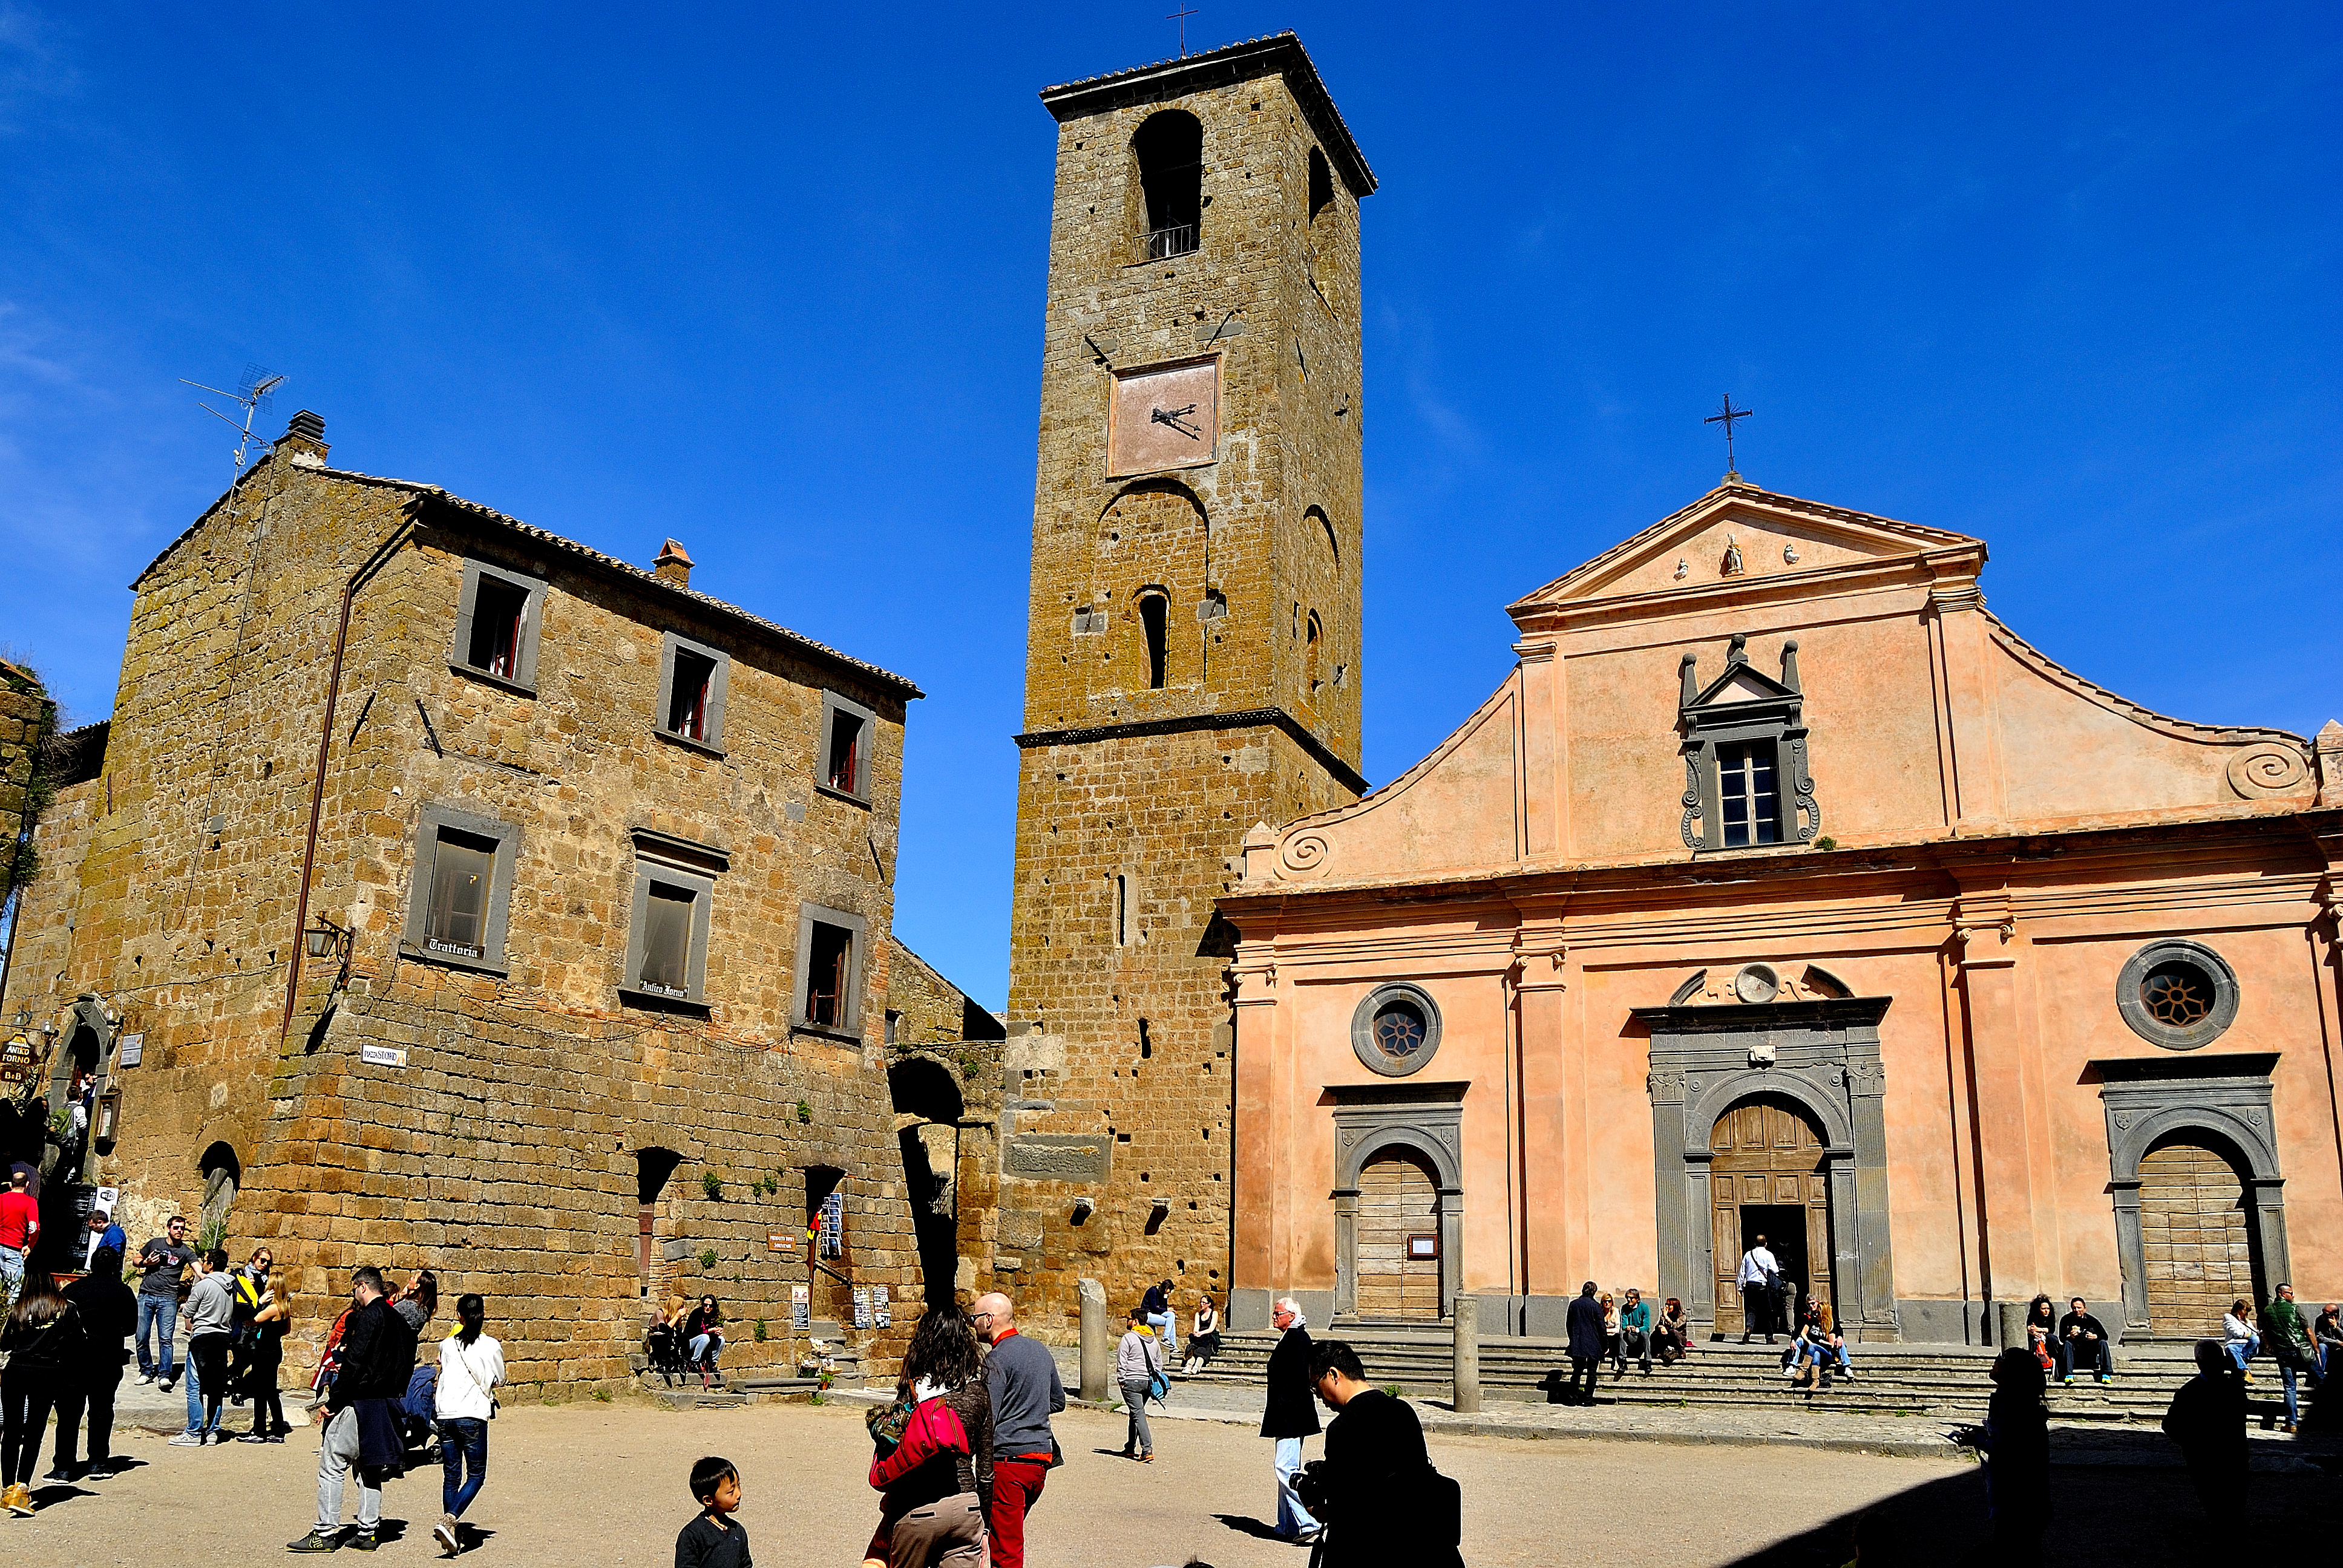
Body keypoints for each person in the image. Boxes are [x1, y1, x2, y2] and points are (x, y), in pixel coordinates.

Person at [288, 1266, 419, 1553]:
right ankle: (368, 1532)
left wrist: (333, 1403)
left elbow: (353, 1364)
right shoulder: (402, 1324)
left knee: (333, 1463)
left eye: (354, 1290)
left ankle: (324, 1533)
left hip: (360, 1403)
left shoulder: (369, 1317)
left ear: (362, 1286)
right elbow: (406, 1366)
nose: (354, 1296)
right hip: (387, 1404)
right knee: (370, 1469)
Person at [1305, 1339, 1464, 1568]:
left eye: (1315, 1386)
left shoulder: (1343, 1428)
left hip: (1375, 1551)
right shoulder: (1403, 1411)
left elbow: (1346, 1514)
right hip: (1424, 1545)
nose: (1318, 1397)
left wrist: (1316, 1508)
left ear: (1333, 1375)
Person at [862, 1303, 991, 1568]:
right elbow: (987, 1470)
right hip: (966, 1506)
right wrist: (985, 1526)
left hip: (918, 1507)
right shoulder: (979, 1391)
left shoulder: (915, 1388)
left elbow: (894, 1440)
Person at [972, 1291, 1062, 1568]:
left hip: (1009, 1465)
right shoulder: (1041, 1351)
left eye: (974, 1318)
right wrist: (1029, 1406)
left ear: (989, 1319)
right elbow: (1058, 1401)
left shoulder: (997, 1360)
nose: (972, 1323)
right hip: (1040, 1462)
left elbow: (987, 1416)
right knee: (1006, 1540)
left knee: (1005, 1552)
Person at [1, 1270, 83, 1515]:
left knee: (12, 1430)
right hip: (47, 1372)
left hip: (16, 1371)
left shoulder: (19, 1309)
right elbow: (77, 1344)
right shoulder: (67, 1308)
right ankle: (22, 1488)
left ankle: (7, 1489)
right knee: (34, 1431)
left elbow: (5, 1343)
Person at [433, 1292, 504, 1557]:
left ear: (460, 1317)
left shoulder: (447, 1344)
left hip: (445, 1414)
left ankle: (451, 1535)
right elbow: (500, 1379)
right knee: (476, 1474)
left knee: (451, 1475)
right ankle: (449, 1520)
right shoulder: (490, 1345)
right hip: (471, 1414)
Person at [56, 1245, 136, 1478]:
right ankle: (98, 1461)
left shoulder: (73, 1290)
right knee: (101, 1411)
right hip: (107, 1359)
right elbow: (131, 1328)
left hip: (74, 1359)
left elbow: (60, 1324)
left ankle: (63, 1466)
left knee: (69, 1414)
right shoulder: (123, 1292)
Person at [1966, 1346, 2050, 1560]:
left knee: (2013, 1556)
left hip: (2020, 1500)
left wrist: (1978, 1439)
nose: (1995, 1361)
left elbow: (2004, 1450)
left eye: (2001, 1358)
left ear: (2012, 1371)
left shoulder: (2014, 1404)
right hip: (2023, 1499)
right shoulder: (2013, 1400)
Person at [2164, 1338, 2248, 1519]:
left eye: (2220, 1358)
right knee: (2215, 1505)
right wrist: (2192, 1445)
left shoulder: (2235, 1388)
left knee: (2235, 1505)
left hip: (2233, 1457)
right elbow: (2170, 1425)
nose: (2219, 1363)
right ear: (2200, 1362)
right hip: (2204, 1459)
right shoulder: (2188, 1392)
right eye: (2214, 1358)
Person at [1260, 1297, 1320, 1543]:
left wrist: (1284, 1407)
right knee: (1286, 1466)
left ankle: (1309, 1521)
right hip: (1286, 1413)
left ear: (1291, 1316)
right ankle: (1287, 1525)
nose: (1274, 1316)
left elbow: (1296, 1380)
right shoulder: (1292, 1337)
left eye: (1278, 1313)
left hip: (1291, 1414)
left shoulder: (1299, 1339)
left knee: (1285, 1467)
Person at [170, 1245, 234, 1446]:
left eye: (205, 1260)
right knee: (216, 1386)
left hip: (203, 1337)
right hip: (222, 1337)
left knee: (194, 1386)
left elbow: (189, 1310)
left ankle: (194, 1431)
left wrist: (186, 1308)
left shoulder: (204, 1285)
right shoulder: (231, 1286)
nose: (202, 1263)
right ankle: (213, 1430)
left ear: (211, 1264)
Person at [132, 1214, 195, 1388]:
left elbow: (197, 1269)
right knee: (141, 1336)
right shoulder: (155, 1244)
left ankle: (165, 1374)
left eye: (182, 1228)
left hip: (168, 1298)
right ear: (168, 1229)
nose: (180, 1231)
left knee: (166, 1338)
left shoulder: (186, 1251)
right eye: (176, 1228)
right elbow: (135, 1260)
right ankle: (146, 1370)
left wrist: (210, 1278)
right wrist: (145, 1263)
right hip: (146, 1295)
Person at [236, 1268, 292, 1443]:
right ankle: (277, 1430)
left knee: (260, 1392)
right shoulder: (285, 1308)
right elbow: (287, 1329)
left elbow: (255, 1318)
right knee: (271, 1392)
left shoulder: (273, 1308)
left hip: (264, 1352)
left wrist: (259, 1302)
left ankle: (259, 1431)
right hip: (274, 1350)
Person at [2261, 1283, 2321, 1432]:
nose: (2293, 1296)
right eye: (2291, 1293)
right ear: (2282, 1294)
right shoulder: (2295, 1308)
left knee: (2289, 1388)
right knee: (2321, 1380)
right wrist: (2317, 1349)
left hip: (2282, 1353)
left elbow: (2266, 1334)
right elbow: (2307, 1330)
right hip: (2302, 1350)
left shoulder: (2267, 1311)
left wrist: (2270, 1350)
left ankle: (2291, 1424)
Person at [675, 1454, 751, 1568]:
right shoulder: (693, 1535)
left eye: (738, 1486)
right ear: (708, 1500)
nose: (739, 1494)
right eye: (731, 1491)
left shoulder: (738, 1531)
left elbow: (746, 1565)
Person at [1115, 1308, 1162, 1462]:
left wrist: (1122, 1380)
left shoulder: (1128, 1338)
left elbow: (1122, 1362)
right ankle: (1130, 1447)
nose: (1127, 1321)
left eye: (1129, 1318)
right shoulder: (1153, 1340)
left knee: (1138, 1414)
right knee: (1135, 1413)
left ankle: (1147, 1449)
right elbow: (1158, 1364)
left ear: (1135, 1321)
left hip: (1131, 1381)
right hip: (1147, 1382)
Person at [1789, 1300, 1852, 1387]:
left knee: (1816, 1346)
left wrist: (1823, 1342)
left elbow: (1832, 1344)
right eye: (1816, 1313)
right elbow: (1802, 1331)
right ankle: (1815, 1381)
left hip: (1828, 1353)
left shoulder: (1830, 1324)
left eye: (1818, 1312)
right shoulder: (1813, 1321)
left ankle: (1802, 1370)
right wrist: (1807, 1341)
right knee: (1816, 1353)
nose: (1816, 1314)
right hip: (1817, 1352)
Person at [2053, 1297, 2114, 1385]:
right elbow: (2062, 1338)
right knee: (2067, 1343)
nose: (2077, 1310)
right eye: (2074, 1308)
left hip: (2090, 1351)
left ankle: (2106, 1374)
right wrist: (2070, 1336)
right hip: (2075, 1352)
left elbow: (2105, 1336)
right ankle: (2069, 1374)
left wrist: (2095, 1336)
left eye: (2079, 1308)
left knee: (2103, 1343)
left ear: (2085, 1308)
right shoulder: (2066, 1320)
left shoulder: (2092, 1320)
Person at [0, 1169, 36, 1315]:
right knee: (14, 1291)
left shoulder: (1, 1198)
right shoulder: (30, 1202)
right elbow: (34, 1227)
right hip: (13, 1249)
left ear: (11, 1184)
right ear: (27, 1184)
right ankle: (7, 1325)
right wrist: (30, 1245)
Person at [1564, 1280, 1604, 1404]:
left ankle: (1573, 1399)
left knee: (1577, 1372)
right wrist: (1605, 1344)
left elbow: (1569, 1324)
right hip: (1593, 1343)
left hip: (1578, 1342)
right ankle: (1588, 1400)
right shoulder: (1595, 1306)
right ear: (1594, 1292)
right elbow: (1601, 1327)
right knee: (1592, 1373)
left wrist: (1573, 1339)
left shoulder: (1574, 1305)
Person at [1736, 1235, 1780, 1343]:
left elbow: (1742, 1272)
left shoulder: (1748, 1254)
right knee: (1767, 1312)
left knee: (1751, 1310)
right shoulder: (1768, 1255)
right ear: (1766, 1244)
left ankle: (1748, 1329)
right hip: (1763, 1286)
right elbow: (1775, 1270)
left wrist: (1740, 1286)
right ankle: (1769, 1338)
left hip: (1750, 1286)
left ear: (1755, 1244)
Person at [685, 1295, 726, 1389]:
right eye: (705, 1305)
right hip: (690, 1342)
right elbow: (694, 1332)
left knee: (721, 1340)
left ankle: (711, 1364)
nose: (708, 1308)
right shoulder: (697, 1313)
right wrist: (710, 1331)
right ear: (702, 1304)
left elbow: (710, 1333)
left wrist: (716, 1332)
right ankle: (694, 1363)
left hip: (704, 1341)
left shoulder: (713, 1316)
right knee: (705, 1337)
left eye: (710, 1306)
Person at [1616, 1288, 1654, 1375]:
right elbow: (1624, 1324)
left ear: (1637, 1299)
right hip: (1631, 1336)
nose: (1629, 1300)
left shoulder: (1644, 1308)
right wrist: (1627, 1328)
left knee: (1645, 1333)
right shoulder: (1625, 1308)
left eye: (1631, 1298)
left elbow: (1646, 1326)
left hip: (1640, 1336)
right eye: (1627, 1298)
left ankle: (1648, 1361)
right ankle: (1622, 1361)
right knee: (1622, 1333)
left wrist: (1637, 1329)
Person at [2220, 1298, 2259, 1380]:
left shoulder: (2247, 1321)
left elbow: (2254, 1333)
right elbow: (2234, 1331)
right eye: (2245, 1311)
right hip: (2234, 1344)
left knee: (2256, 1339)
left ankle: (2238, 1361)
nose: (2246, 1314)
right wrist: (2245, 1334)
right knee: (2231, 1349)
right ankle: (2245, 1370)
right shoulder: (2228, 1317)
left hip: (2246, 1345)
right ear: (2239, 1309)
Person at [1184, 1293, 1221, 1374]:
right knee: (1195, 1342)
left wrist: (1202, 1333)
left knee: (1205, 1344)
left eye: (1204, 1303)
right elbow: (1196, 1326)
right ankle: (1189, 1365)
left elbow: (1211, 1328)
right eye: (1201, 1302)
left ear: (1209, 1304)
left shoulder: (1214, 1313)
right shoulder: (1198, 1314)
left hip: (1208, 1334)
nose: (1202, 1304)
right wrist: (1197, 1332)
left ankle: (1197, 1365)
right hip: (1200, 1336)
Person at [1141, 1277, 1176, 1361]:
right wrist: (1167, 1310)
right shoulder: (1153, 1292)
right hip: (1148, 1314)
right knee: (1169, 1322)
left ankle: (1173, 1346)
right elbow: (1154, 1309)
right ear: (1167, 1288)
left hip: (1156, 1314)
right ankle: (1165, 1339)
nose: (1170, 1292)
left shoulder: (1162, 1294)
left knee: (1171, 1316)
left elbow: (1163, 1307)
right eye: (1169, 1290)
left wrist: (1165, 1298)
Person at [83, 1203, 124, 1273]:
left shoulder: (114, 1233)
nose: (91, 1230)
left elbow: (113, 1257)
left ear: (100, 1223)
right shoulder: (109, 1233)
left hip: (109, 1276)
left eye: (92, 1227)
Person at [2022, 1294, 2057, 1372]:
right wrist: (2034, 1332)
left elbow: (2051, 1329)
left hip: (2047, 1337)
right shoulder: (2032, 1316)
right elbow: (2030, 1328)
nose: (2046, 1311)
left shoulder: (2050, 1316)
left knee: (2052, 1338)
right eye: (2043, 1309)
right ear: (2038, 1309)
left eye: (2048, 1308)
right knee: (2033, 1339)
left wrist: (2039, 1329)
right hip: (2035, 1337)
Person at [1654, 1297, 1692, 1364]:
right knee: (1655, 1333)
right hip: (1668, 1338)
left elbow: (1675, 1326)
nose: (1667, 1307)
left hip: (1680, 1338)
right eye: (1666, 1304)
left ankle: (1682, 1352)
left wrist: (1666, 1317)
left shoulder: (1682, 1316)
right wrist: (1661, 1327)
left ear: (1675, 1306)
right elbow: (1658, 1325)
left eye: (1669, 1305)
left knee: (1672, 1331)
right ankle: (1657, 1352)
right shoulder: (1665, 1315)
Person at [2316, 1302, 2342, 1378]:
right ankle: (2320, 1375)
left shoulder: (2342, 1321)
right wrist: (2337, 1342)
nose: (2323, 1316)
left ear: (2334, 1315)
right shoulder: (2320, 1320)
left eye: (2326, 1314)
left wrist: (2336, 1327)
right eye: (2323, 1313)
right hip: (2328, 1345)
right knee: (2322, 1346)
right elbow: (2319, 1337)